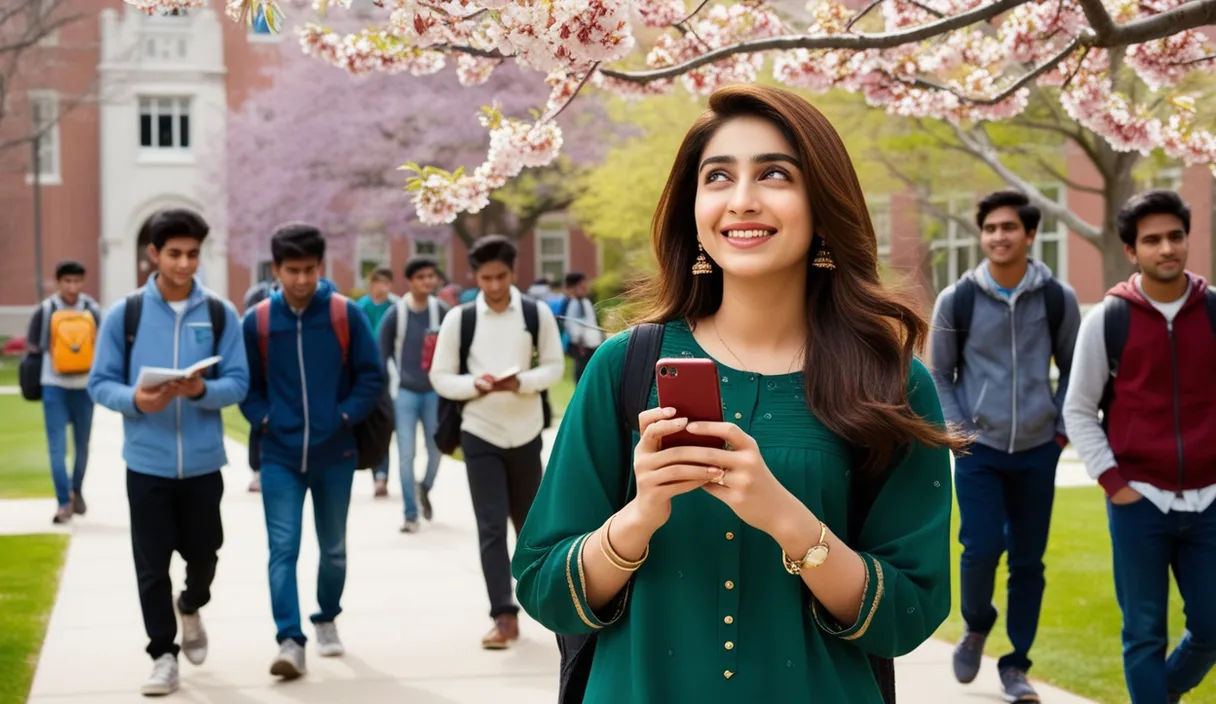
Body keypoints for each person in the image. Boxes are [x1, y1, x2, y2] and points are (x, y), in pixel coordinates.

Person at [511, 84, 962, 702]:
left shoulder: (890, 383)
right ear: (693, 208)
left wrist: (789, 521)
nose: (742, 201)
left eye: (775, 174)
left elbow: (909, 614)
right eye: (717, 177)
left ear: (822, 202)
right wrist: (639, 517)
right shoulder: (625, 367)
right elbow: (542, 587)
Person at [87, 208, 249, 696]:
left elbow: (239, 382)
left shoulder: (220, 313)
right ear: (153, 254)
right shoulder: (126, 314)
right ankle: (162, 654)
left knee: (205, 556)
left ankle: (192, 604)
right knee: (151, 565)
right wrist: (137, 400)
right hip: (147, 463)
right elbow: (99, 383)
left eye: (193, 254)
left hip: (202, 464)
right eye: (174, 254)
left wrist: (201, 392)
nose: (184, 264)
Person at [1063, 190, 1216, 704]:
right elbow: (1079, 409)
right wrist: (1114, 483)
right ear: (1132, 251)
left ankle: (1161, 693)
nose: (1166, 248)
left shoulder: (1213, 311)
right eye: (1152, 240)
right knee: (1144, 634)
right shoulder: (1108, 320)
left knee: (1212, 626)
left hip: (1210, 501)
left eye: (1175, 236)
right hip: (1138, 502)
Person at [928, 189, 1081, 702]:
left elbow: (1075, 372)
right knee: (979, 549)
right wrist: (960, 435)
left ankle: (1016, 666)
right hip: (980, 451)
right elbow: (938, 374)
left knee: (1028, 562)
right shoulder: (958, 299)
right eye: (990, 228)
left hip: (1038, 448)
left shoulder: (1058, 298)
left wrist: (1059, 431)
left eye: (1009, 227)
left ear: (1030, 233)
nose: (998, 236)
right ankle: (976, 624)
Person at [239, 224, 384, 680]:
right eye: (291, 271)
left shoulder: (344, 314)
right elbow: (247, 387)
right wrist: (265, 419)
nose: (301, 280)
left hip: (334, 452)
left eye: (309, 270)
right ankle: (289, 638)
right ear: (276, 269)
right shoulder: (258, 321)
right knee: (282, 548)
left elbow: (370, 376)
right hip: (279, 455)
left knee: (334, 548)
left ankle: (326, 618)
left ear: (321, 267)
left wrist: (342, 417)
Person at [429, 234, 564, 649]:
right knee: (490, 527)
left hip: (524, 433)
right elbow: (441, 377)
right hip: (479, 432)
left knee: (531, 527)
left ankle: (552, 609)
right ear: (475, 276)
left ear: (513, 272)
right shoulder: (460, 319)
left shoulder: (535, 313)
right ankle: (503, 616)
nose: (493, 285)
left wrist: (521, 381)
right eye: (485, 278)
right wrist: (477, 385)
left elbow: (556, 368)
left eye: (500, 276)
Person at [26, 260, 102, 524]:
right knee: (58, 447)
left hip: (82, 388)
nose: (72, 287)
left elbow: (34, 346)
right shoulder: (50, 310)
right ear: (58, 282)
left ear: (83, 282)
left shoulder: (90, 309)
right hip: (54, 387)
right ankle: (64, 501)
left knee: (81, 446)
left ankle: (74, 491)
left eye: (77, 281)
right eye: (67, 281)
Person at [378, 256, 449, 532]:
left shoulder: (441, 310)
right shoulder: (397, 313)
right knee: (406, 454)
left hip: (434, 392)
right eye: (421, 277)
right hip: (404, 393)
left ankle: (424, 487)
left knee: (437, 449)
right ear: (410, 281)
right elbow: (382, 352)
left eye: (431, 276)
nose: (427, 282)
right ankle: (410, 513)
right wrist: (385, 393)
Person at [357, 266, 400, 498]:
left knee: (384, 425)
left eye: (386, 283)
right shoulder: (361, 307)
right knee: (370, 425)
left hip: (390, 376)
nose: (382, 288)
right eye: (377, 282)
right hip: (366, 374)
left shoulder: (396, 307)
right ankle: (373, 470)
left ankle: (381, 477)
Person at [241, 277, 280, 493]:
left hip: (281, 375)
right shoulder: (257, 297)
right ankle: (257, 471)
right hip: (261, 372)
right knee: (258, 425)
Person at [559, 271, 604, 384]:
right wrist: (579, 343)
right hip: (582, 347)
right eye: (583, 286)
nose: (586, 288)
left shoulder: (586, 301)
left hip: (593, 344)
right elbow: (572, 325)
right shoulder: (572, 303)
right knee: (582, 377)